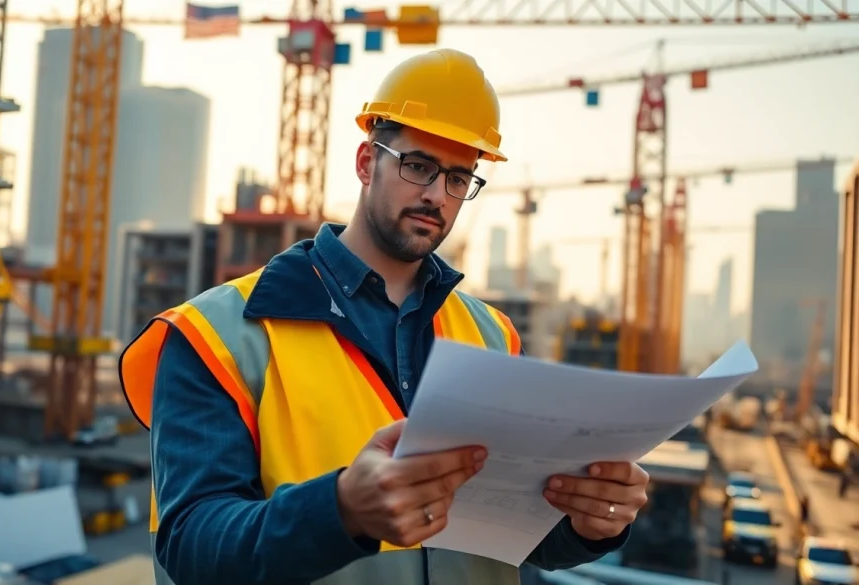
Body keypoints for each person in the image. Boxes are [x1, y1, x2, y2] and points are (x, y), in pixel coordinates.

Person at [119, 48, 650, 585]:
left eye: (459, 179)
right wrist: (340, 510)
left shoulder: (493, 334)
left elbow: (517, 537)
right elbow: (191, 547)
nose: (436, 195)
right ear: (366, 162)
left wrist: (589, 522)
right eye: (418, 165)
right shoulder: (217, 336)